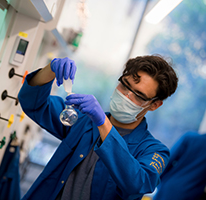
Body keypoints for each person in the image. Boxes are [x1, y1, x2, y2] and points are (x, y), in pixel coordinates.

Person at [18, 55, 178, 200]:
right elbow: (33, 103)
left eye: (138, 95)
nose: (126, 96)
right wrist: (50, 70)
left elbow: (137, 183)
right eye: (124, 85)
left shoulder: (154, 151)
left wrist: (103, 123)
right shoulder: (84, 119)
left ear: (154, 105)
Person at [153, 131, 206, 200]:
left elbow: (166, 162)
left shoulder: (190, 138)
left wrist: (160, 183)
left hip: (169, 189)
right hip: (193, 194)